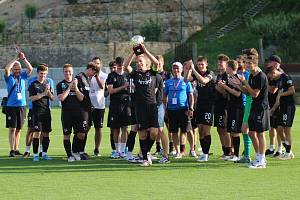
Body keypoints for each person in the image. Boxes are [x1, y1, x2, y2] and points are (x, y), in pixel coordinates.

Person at [124, 44, 162, 166]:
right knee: (143, 133)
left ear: (146, 63)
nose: (138, 63)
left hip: (152, 106)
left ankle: (145, 153)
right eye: (137, 62)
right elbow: (126, 66)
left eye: (140, 62)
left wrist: (145, 51)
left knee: (154, 133)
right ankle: (145, 158)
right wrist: (133, 53)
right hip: (140, 107)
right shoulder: (135, 74)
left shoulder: (152, 73)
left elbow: (157, 64)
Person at [57, 63, 99, 162]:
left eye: (70, 71)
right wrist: (69, 88)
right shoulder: (60, 84)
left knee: (81, 134)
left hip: (78, 113)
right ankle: (69, 156)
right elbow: (61, 98)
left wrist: (75, 88)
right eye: (66, 71)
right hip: (66, 113)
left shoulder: (78, 82)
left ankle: (75, 152)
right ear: (63, 72)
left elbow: (81, 98)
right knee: (67, 134)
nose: (68, 73)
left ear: (72, 72)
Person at [239, 54, 269, 169]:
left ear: (255, 64)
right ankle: (258, 157)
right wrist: (239, 85)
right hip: (253, 107)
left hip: (261, 108)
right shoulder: (251, 75)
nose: (247, 65)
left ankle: (262, 161)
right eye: (246, 63)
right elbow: (248, 93)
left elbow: (255, 94)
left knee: (260, 134)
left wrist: (244, 82)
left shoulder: (261, 76)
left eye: (249, 63)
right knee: (251, 133)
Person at [185, 56, 216, 162]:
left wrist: (193, 69)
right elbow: (186, 79)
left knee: (206, 130)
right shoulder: (195, 73)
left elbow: (203, 81)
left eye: (202, 64)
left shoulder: (210, 73)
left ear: (206, 64)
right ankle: (204, 152)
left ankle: (206, 153)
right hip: (199, 105)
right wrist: (188, 69)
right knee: (200, 130)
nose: (200, 66)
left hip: (209, 105)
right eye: (199, 65)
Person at [4, 52, 33, 157]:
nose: (17, 71)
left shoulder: (23, 76)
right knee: (12, 128)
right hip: (11, 106)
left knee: (19, 129)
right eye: (15, 69)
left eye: (18, 69)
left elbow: (30, 69)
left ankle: (16, 149)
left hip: (22, 105)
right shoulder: (9, 77)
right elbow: (7, 68)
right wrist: (15, 59)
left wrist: (23, 59)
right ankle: (11, 150)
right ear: (13, 70)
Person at [267, 56, 296, 160]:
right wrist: (273, 109)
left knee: (286, 129)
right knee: (279, 129)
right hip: (281, 107)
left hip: (288, 107)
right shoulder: (277, 79)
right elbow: (277, 97)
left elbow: (292, 91)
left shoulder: (285, 77)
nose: (270, 79)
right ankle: (288, 149)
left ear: (274, 72)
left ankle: (288, 152)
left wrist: (281, 94)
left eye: (271, 77)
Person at [23, 63, 54, 158]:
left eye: (45, 74)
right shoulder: (33, 84)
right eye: (41, 73)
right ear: (37, 73)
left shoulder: (48, 83)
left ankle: (44, 153)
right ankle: (34, 154)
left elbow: (52, 98)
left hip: (46, 111)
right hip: (36, 112)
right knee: (35, 132)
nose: (43, 75)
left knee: (46, 133)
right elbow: (32, 98)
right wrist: (44, 93)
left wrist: (48, 92)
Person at [163, 62, 194, 160]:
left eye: (177, 68)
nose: (176, 70)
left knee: (186, 130)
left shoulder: (186, 81)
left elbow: (190, 95)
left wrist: (191, 108)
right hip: (172, 110)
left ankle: (191, 149)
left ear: (181, 70)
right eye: (174, 68)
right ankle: (177, 151)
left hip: (183, 109)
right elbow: (164, 96)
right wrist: (165, 108)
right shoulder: (168, 82)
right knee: (174, 131)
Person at [218, 60, 244, 162]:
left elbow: (238, 94)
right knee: (232, 132)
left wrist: (225, 87)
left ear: (229, 68)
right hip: (231, 107)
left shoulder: (237, 78)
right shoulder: (229, 78)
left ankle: (237, 155)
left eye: (227, 67)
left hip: (237, 108)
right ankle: (234, 154)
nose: (225, 69)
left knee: (235, 132)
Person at [106, 57, 131, 159]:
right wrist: (123, 87)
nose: (120, 66)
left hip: (126, 104)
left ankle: (123, 151)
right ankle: (117, 151)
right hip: (115, 105)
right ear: (116, 64)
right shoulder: (111, 76)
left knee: (125, 128)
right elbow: (111, 91)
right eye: (119, 64)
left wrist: (130, 87)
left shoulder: (127, 75)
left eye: (122, 64)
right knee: (115, 129)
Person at [89, 57, 108, 156]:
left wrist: (96, 77)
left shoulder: (104, 75)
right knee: (86, 127)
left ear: (100, 64)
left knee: (98, 128)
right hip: (89, 105)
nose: (96, 65)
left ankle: (96, 149)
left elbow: (102, 87)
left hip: (99, 106)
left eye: (98, 63)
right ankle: (81, 148)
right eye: (94, 63)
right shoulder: (88, 74)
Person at [214, 54, 231, 159]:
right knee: (219, 129)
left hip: (225, 105)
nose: (219, 63)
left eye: (222, 62)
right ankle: (224, 150)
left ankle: (228, 152)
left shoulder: (227, 75)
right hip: (217, 105)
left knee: (224, 129)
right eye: (219, 61)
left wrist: (219, 88)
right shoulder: (218, 75)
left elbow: (226, 93)